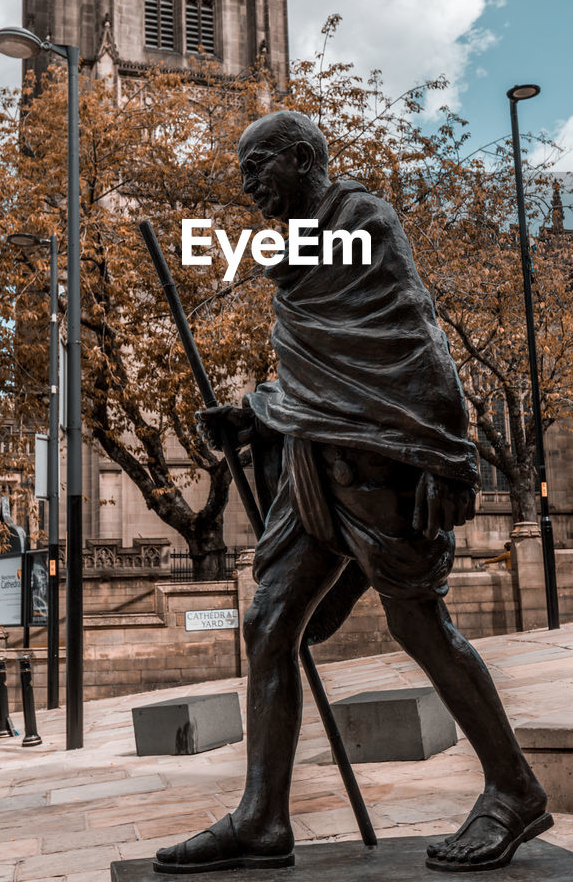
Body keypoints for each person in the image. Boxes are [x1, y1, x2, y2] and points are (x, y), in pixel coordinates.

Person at [154, 111, 551, 875]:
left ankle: (515, 789)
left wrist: (449, 458)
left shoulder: (363, 220)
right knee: (269, 623)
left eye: (258, 166)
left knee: (419, 625)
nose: (246, 187)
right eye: (241, 173)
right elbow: (321, 374)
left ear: (305, 158)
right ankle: (263, 817)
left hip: (385, 465)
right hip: (314, 466)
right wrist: (255, 413)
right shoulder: (297, 253)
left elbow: (412, 339)